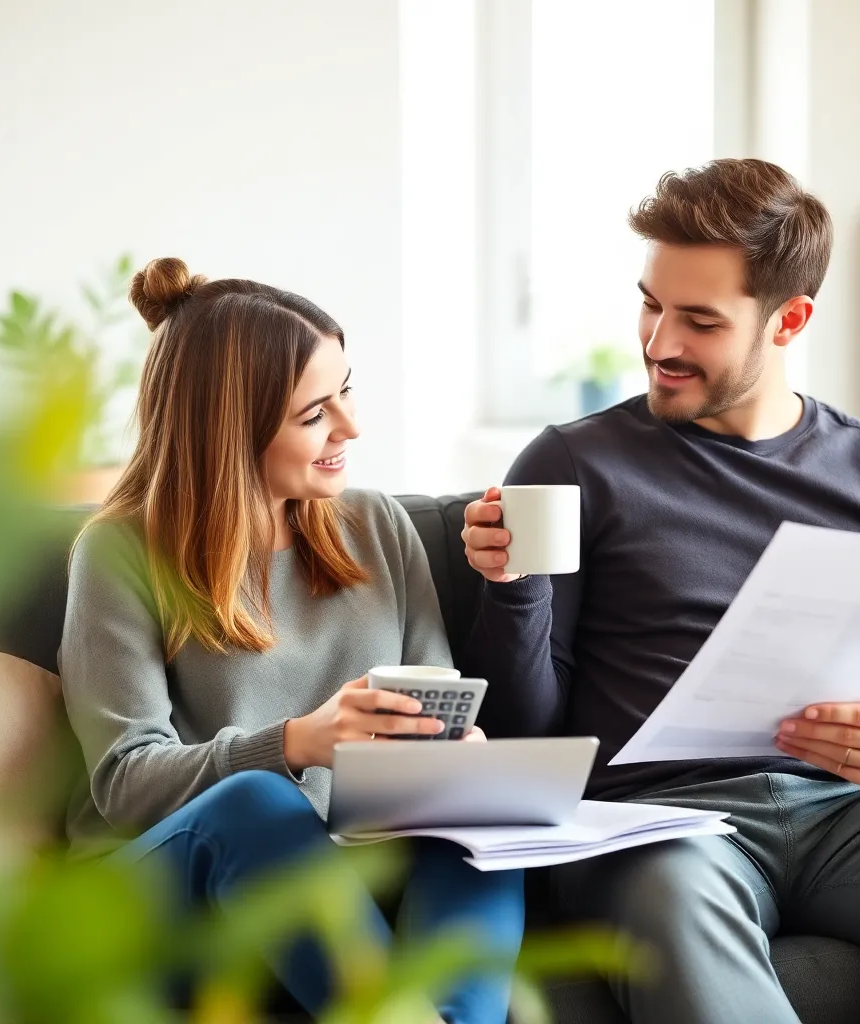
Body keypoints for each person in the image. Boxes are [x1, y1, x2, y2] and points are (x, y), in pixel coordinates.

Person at [460, 159, 860, 1024]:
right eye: (650, 303)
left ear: (790, 319)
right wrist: (514, 587)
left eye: (700, 321)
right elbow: (524, 732)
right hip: (656, 827)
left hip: (849, 813)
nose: (657, 343)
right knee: (678, 902)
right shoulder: (572, 466)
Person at [59, 258, 524, 1024]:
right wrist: (298, 742)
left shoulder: (376, 525)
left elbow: (432, 710)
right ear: (227, 431)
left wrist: (451, 758)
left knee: (479, 819)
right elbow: (124, 781)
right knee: (257, 802)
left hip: (345, 873)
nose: (351, 427)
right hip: (165, 892)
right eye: (315, 414)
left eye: (346, 391)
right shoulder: (119, 552)